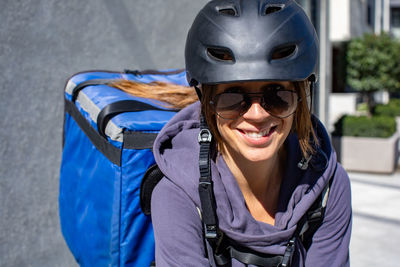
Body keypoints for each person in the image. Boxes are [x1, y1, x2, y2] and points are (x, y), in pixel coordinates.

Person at [119, 0, 352, 266]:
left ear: (300, 98)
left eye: (276, 95)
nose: (257, 115)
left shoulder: (327, 187)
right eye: (232, 97)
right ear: (207, 102)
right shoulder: (176, 195)